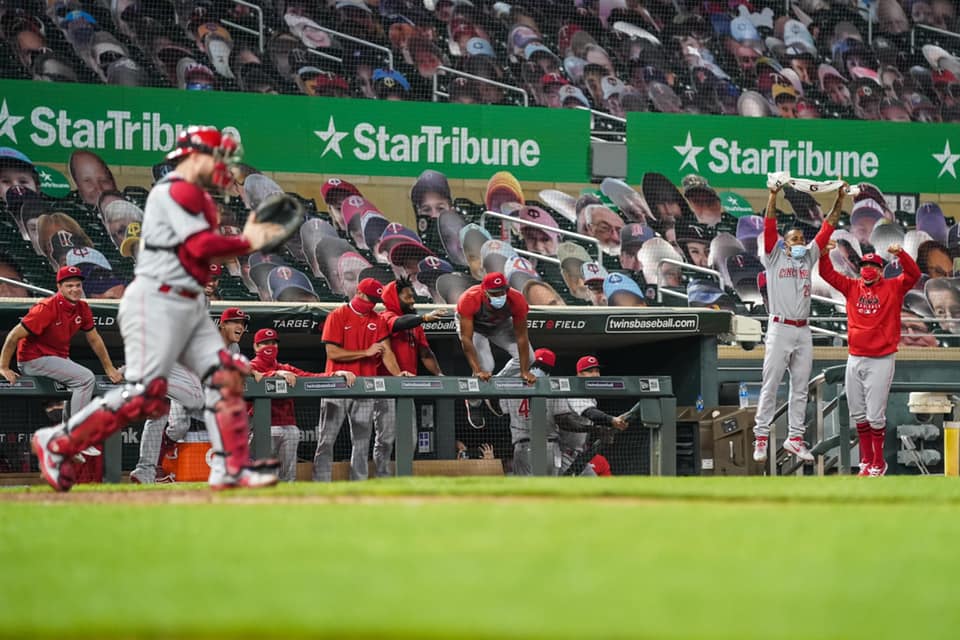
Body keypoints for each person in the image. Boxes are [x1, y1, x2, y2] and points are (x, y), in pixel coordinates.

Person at [30, 125, 287, 492]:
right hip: (155, 303)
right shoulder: (172, 191)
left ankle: (230, 467)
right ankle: (58, 442)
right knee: (145, 396)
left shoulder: (201, 201)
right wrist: (252, 237)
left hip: (187, 305)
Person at [752, 183, 843, 464]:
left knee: (801, 387)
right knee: (771, 384)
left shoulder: (809, 257)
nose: (801, 242)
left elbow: (828, 225)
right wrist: (772, 195)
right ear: (784, 242)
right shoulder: (773, 256)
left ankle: (794, 438)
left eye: (802, 238)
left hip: (803, 329)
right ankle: (761, 436)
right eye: (795, 239)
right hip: (779, 327)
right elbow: (769, 225)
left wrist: (840, 197)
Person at [818, 238, 921, 476]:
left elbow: (914, 274)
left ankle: (878, 462)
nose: (868, 269)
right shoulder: (852, 286)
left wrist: (901, 254)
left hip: (881, 358)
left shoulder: (894, 287)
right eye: (865, 265)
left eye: (874, 266)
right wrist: (823, 255)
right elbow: (826, 274)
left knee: (875, 415)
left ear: (881, 270)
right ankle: (866, 461)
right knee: (858, 414)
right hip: (855, 357)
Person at [130, 306, 247, 484]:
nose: (240, 327)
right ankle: (156, 465)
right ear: (222, 324)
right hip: (181, 381)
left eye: (242, 324)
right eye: (235, 322)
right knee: (177, 425)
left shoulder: (234, 348)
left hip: (200, 390)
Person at [313, 277, 408, 482]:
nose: (372, 303)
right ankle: (320, 483)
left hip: (365, 387)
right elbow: (332, 352)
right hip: (337, 386)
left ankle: (359, 482)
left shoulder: (378, 319)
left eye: (375, 300)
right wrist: (365, 352)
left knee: (362, 441)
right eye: (369, 298)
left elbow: (387, 352)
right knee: (326, 439)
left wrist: (397, 374)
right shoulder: (338, 315)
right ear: (358, 292)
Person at [0, 266, 123, 421]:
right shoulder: (46, 308)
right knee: (85, 378)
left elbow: (94, 338)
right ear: (59, 287)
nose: (75, 289)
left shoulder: (82, 307)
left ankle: (68, 430)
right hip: (33, 359)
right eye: (69, 286)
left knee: (80, 382)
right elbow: (13, 336)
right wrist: (4, 367)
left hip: (58, 357)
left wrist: (109, 367)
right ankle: (77, 431)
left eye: (78, 285)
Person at [250, 327, 357, 482]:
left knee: (288, 476)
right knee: (262, 475)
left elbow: (311, 377)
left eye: (273, 343)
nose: (270, 347)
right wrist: (275, 374)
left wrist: (335, 374)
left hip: (288, 427)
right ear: (256, 347)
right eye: (265, 343)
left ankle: (289, 495)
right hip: (263, 427)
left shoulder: (286, 368)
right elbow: (246, 376)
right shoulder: (250, 367)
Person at [375, 278, 445, 476]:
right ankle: (382, 478)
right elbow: (398, 323)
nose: (413, 300)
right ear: (394, 298)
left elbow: (425, 353)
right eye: (408, 297)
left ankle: (403, 477)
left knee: (410, 438)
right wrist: (424, 318)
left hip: (407, 387)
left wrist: (439, 374)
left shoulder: (415, 324)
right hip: (387, 387)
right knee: (385, 438)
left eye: (413, 296)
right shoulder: (385, 317)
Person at [455, 272, 536, 428]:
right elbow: (466, 339)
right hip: (475, 328)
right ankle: (474, 402)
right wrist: (477, 370)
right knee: (486, 366)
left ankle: (494, 390)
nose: (499, 295)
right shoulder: (469, 298)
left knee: (530, 359)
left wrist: (524, 371)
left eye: (502, 291)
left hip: (500, 325)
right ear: (484, 291)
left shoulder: (516, 299)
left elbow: (522, 337)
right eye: (494, 293)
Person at [552, 356, 628, 476]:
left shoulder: (590, 396)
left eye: (597, 371)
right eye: (590, 371)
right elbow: (589, 412)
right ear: (579, 374)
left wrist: (603, 431)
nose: (595, 375)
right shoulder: (575, 391)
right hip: (564, 453)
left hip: (578, 454)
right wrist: (611, 420)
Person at [504, 348, 557, 476]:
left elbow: (500, 410)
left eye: (541, 367)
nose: (536, 370)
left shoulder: (511, 385)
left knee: (526, 488)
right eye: (535, 366)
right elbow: (563, 417)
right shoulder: (555, 387)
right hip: (547, 445)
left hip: (525, 445)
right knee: (550, 487)